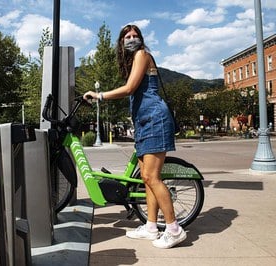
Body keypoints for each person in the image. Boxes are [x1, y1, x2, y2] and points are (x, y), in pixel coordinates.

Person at [83, 24, 186, 249]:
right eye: (127, 36)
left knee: (152, 177)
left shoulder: (142, 54)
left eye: (135, 35)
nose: (131, 39)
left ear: (140, 39)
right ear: (122, 42)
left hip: (155, 119)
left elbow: (129, 88)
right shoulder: (133, 60)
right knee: (145, 178)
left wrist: (99, 95)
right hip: (144, 123)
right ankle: (151, 227)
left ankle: (174, 229)